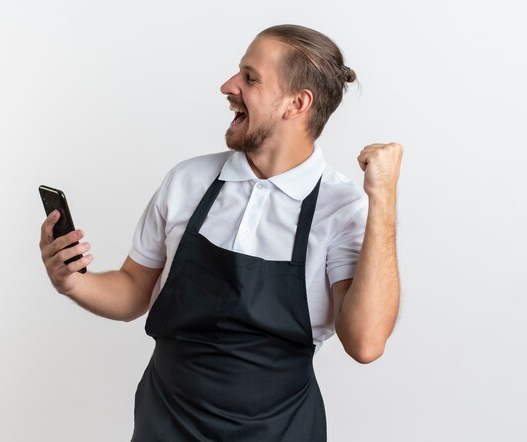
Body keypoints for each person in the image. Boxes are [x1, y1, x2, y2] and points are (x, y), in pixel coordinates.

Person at [39, 24, 402, 442]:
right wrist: (72, 282)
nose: (228, 86)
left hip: (279, 432)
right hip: (166, 424)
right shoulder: (188, 181)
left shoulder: (342, 210)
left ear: (296, 103)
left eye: (250, 78)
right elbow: (133, 289)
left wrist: (383, 201)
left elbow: (366, 342)